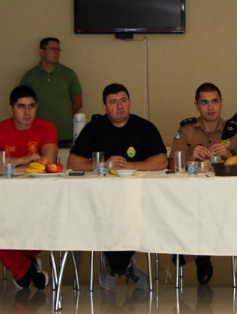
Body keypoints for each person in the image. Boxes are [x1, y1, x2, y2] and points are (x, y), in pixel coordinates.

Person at [68, 83, 167, 290]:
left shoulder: (144, 127)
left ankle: (114, 264)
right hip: (101, 201)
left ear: (130, 102)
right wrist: (102, 165)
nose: (119, 106)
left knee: (148, 216)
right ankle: (124, 266)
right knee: (103, 218)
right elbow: (73, 162)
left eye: (123, 100)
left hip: (139, 199)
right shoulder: (94, 128)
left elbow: (161, 161)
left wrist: (131, 166)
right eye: (113, 102)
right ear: (105, 107)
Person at [168, 82, 237, 284]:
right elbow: (170, 164)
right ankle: (200, 255)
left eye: (214, 101)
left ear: (222, 102)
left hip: (227, 199)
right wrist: (189, 156)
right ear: (196, 105)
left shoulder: (234, 129)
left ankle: (196, 253)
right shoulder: (186, 129)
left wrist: (229, 154)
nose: (210, 107)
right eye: (204, 102)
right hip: (191, 197)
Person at [0, 86, 56, 290]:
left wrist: (3, 161)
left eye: (31, 106)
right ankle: (25, 268)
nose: (27, 112)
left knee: (28, 233)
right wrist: (25, 159)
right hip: (4, 201)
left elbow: (48, 161)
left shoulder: (47, 127)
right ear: (11, 108)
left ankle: (23, 265)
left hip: (37, 199)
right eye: (21, 107)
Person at [20, 37, 83, 148]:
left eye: (58, 50)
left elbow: (78, 102)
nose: (56, 52)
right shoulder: (30, 76)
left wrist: (64, 117)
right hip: (36, 134)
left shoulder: (68, 74)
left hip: (64, 135)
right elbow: (21, 104)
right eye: (52, 49)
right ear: (42, 52)